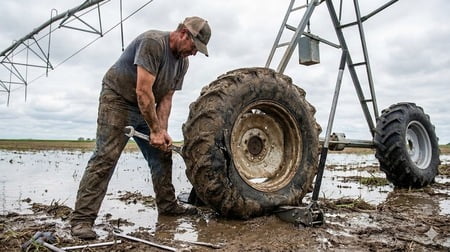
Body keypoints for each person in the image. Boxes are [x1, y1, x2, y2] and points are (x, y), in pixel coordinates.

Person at [70, 16, 211, 240]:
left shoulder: (182, 63)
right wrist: (153, 130)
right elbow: (143, 91)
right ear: (184, 34)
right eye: (194, 47)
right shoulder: (153, 43)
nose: (194, 53)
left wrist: (161, 131)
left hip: (146, 107)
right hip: (118, 100)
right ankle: (81, 220)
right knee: (105, 158)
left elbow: (165, 98)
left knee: (162, 155)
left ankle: (168, 206)